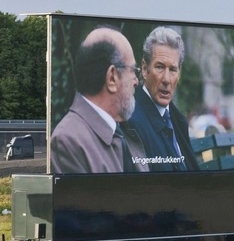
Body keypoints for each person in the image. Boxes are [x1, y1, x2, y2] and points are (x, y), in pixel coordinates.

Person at [50, 26, 148, 174]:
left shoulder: (124, 131)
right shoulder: (69, 140)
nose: (136, 81)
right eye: (133, 71)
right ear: (112, 78)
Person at [128, 26, 200, 171]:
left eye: (173, 69)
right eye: (160, 67)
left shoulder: (177, 120)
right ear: (144, 69)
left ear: (179, 74)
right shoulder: (132, 121)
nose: (167, 79)